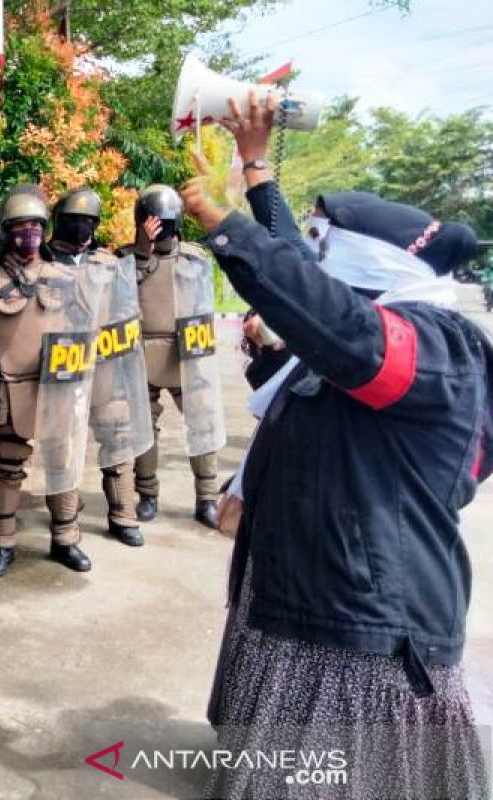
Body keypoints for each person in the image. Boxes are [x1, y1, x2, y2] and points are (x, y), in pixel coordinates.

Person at [189, 92, 490, 798]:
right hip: (307, 591)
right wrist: (256, 168)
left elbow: (330, 314)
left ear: (374, 274)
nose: (313, 258)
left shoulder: (435, 346)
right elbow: (307, 275)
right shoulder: (383, 320)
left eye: (330, 248)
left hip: (364, 629)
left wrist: (229, 225)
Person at [0, 184, 93, 577]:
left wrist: (81, 382)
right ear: (6, 231)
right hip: (9, 387)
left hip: (57, 385)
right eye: (20, 227)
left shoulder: (64, 276)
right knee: (8, 466)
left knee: (61, 462)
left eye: (36, 227)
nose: (30, 235)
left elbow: (82, 329)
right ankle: (2, 544)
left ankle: (66, 539)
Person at [48, 187, 152, 547]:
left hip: (106, 367)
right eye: (74, 220)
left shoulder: (109, 263)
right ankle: (64, 530)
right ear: (58, 221)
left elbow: (126, 311)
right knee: (63, 449)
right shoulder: (41, 262)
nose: (81, 227)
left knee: (118, 441)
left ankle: (123, 515)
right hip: (61, 369)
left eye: (88, 220)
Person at [127, 186, 221, 529]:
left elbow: (205, 305)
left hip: (186, 354)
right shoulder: (129, 260)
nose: (160, 228)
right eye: (153, 222)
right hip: (142, 355)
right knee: (143, 430)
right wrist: (141, 251)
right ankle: (147, 494)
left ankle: (207, 497)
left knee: (203, 423)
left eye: (166, 222)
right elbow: (119, 294)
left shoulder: (194, 258)